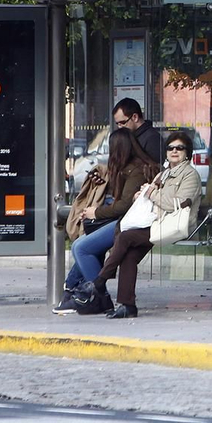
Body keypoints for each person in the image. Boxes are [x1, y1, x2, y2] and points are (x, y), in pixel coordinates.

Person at [89, 131, 203, 319]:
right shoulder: (163, 174)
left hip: (174, 226)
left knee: (126, 238)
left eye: (179, 148)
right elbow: (153, 197)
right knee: (129, 256)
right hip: (156, 223)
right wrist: (142, 194)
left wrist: (151, 193)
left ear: (187, 153)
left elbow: (175, 203)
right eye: (170, 148)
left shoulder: (190, 175)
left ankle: (100, 281)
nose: (174, 151)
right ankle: (127, 306)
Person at [54, 127, 158, 314]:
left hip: (129, 223)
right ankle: (74, 291)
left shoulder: (136, 170)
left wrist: (97, 213)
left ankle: (98, 297)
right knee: (86, 246)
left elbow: (124, 205)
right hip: (124, 221)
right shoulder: (125, 168)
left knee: (81, 247)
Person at [113, 98, 164, 165]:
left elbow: (154, 168)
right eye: (117, 124)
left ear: (135, 117)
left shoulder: (152, 138)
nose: (120, 127)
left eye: (123, 122)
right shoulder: (129, 136)